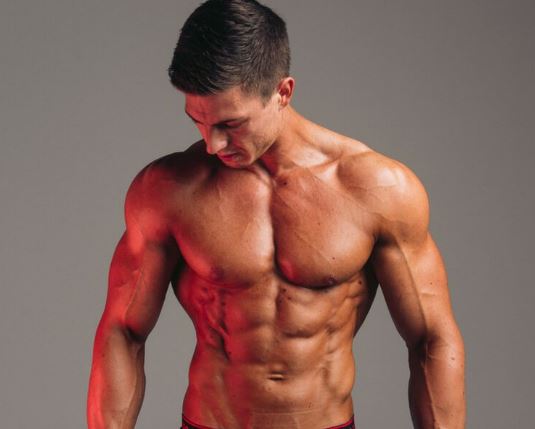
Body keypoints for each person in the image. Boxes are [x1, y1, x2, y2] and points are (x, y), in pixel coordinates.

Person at [86, 0, 465, 428]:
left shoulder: (377, 190)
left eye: (231, 124)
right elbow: (123, 331)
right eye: (197, 121)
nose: (212, 144)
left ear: (283, 92)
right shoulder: (167, 191)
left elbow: (431, 338)